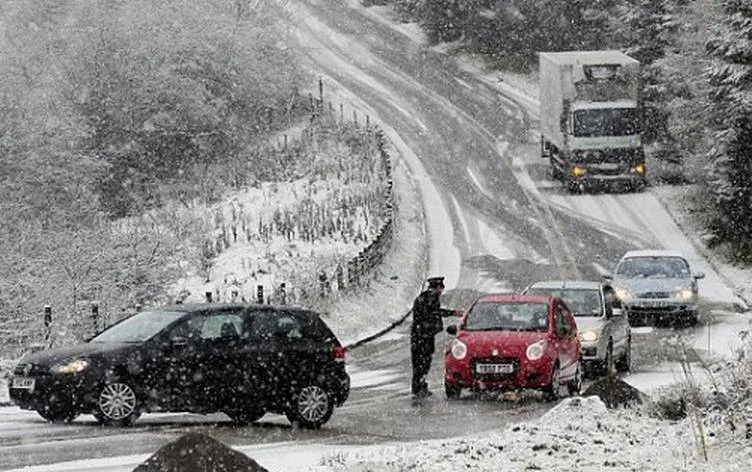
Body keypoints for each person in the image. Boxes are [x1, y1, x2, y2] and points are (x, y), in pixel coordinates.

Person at [410, 276, 458, 398]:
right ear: (437, 288)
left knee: (421, 362)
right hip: (423, 336)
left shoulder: (426, 297)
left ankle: (420, 385)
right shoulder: (430, 298)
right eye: (441, 289)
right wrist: (451, 313)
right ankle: (419, 387)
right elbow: (433, 313)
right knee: (423, 362)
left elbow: (433, 312)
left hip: (421, 335)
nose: (441, 292)